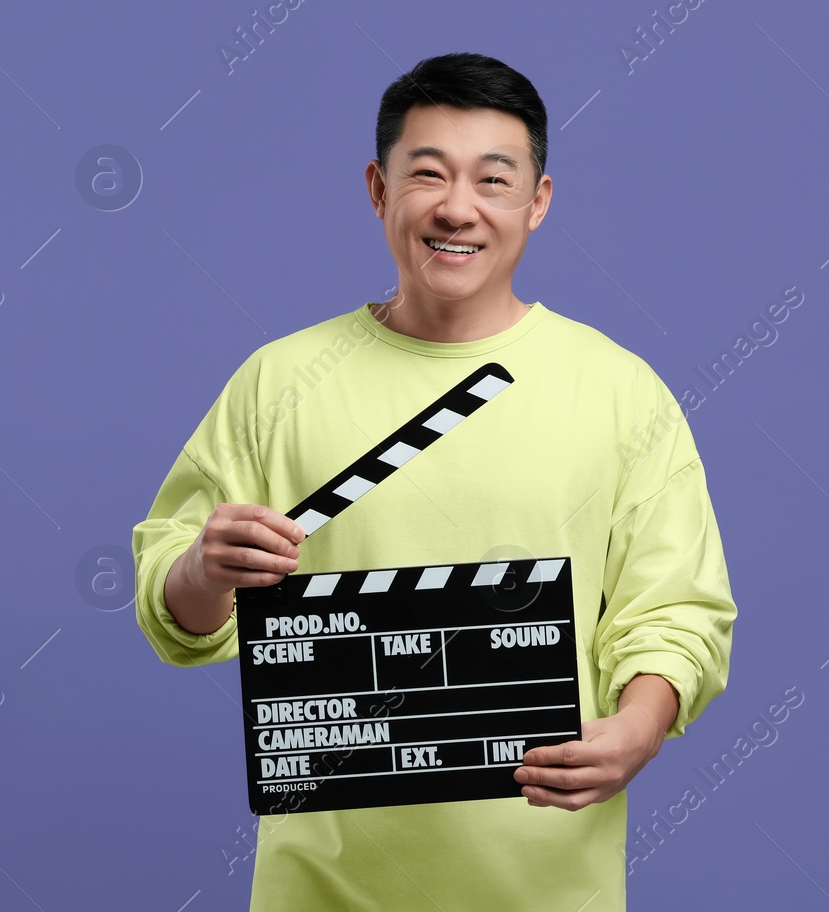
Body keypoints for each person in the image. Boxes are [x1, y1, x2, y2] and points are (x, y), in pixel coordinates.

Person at [130, 52, 736, 911]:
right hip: (322, 887)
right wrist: (204, 568)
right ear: (379, 190)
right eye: (428, 174)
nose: (457, 208)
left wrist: (638, 728)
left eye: (494, 179)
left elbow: (676, 608)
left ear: (539, 201)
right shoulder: (280, 381)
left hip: (550, 886)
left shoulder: (620, 391)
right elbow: (177, 613)